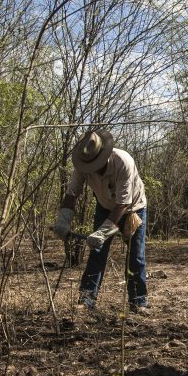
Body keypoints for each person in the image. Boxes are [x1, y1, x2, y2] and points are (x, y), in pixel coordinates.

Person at [52, 129, 149, 314]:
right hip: (104, 206)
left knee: (135, 255)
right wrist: (63, 219)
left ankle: (139, 302)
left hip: (132, 209)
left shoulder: (123, 162)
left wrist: (102, 233)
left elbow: (122, 204)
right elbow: (72, 194)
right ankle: (87, 300)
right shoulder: (82, 164)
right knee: (96, 253)